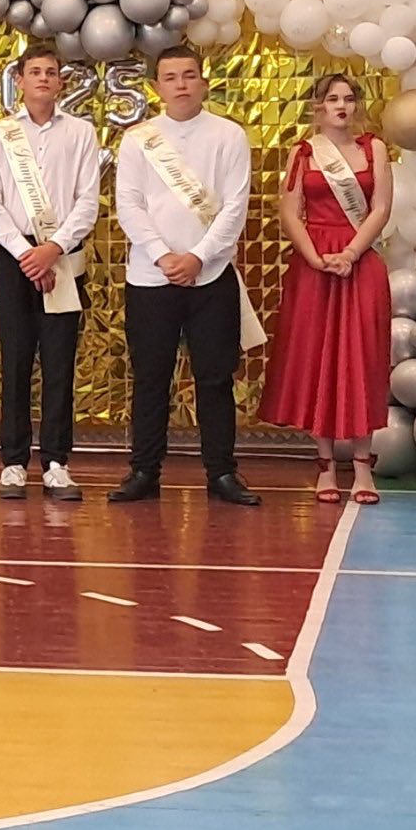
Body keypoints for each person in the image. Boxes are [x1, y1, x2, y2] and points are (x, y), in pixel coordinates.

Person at [110, 46, 262, 507]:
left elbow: (235, 207)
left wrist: (197, 257)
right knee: (150, 378)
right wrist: (163, 256)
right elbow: (128, 205)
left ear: (204, 82)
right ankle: (144, 470)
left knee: (215, 378)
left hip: (211, 276)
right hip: (150, 276)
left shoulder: (229, 135)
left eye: (189, 75)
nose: (181, 84)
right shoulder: (138, 139)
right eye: (171, 77)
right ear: (156, 87)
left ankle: (222, 472)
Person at [258, 75, 392, 503]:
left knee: (362, 357)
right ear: (319, 106)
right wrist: (316, 257)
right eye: (332, 99)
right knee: (319, 360)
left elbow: (381, 208)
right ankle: (325, 467)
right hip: (314, 261)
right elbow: (289, 212)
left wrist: (351, 252)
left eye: (349, 99)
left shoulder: (374, 148)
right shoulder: (303, 152)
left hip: (359, 259)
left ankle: (363, 468)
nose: (341, 106)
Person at [0, 45, 101, 501]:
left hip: (63, 254)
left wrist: (52, 249)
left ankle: (55, 463)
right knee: (15, 361)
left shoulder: (82, 132)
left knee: (59, 361)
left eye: (51, 72)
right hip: (14, 257)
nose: (44, 78)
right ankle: (13, 463)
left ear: (61, 82)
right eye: (35, 72)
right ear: (20, 81)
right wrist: (25, 254)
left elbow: (88, 201)